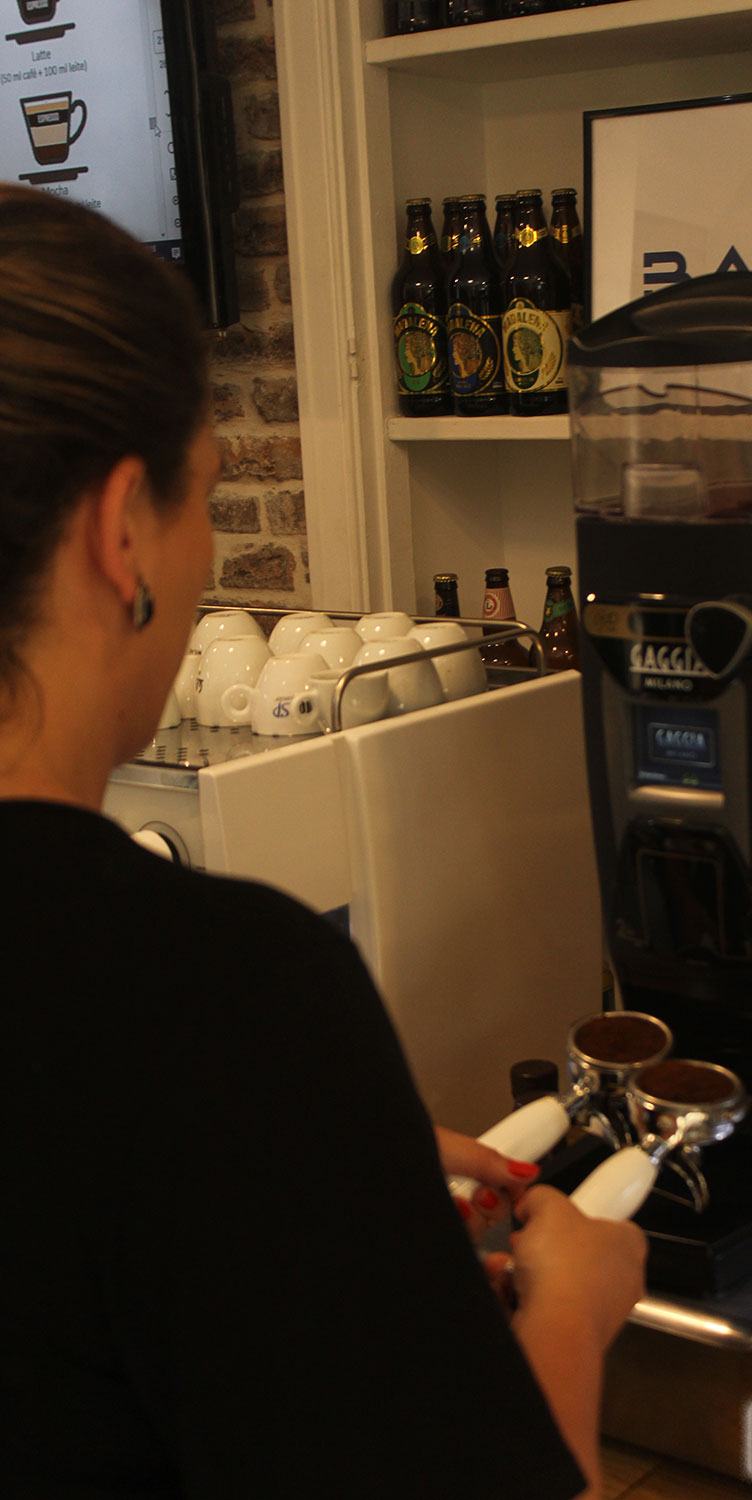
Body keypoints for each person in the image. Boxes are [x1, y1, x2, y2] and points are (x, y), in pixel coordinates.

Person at [0, 184, 646, 1500]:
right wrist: (574, 1315)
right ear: (122, 534)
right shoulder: (219, 996)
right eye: (203, 499)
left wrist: (305, 1163)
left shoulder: (220, 1043)